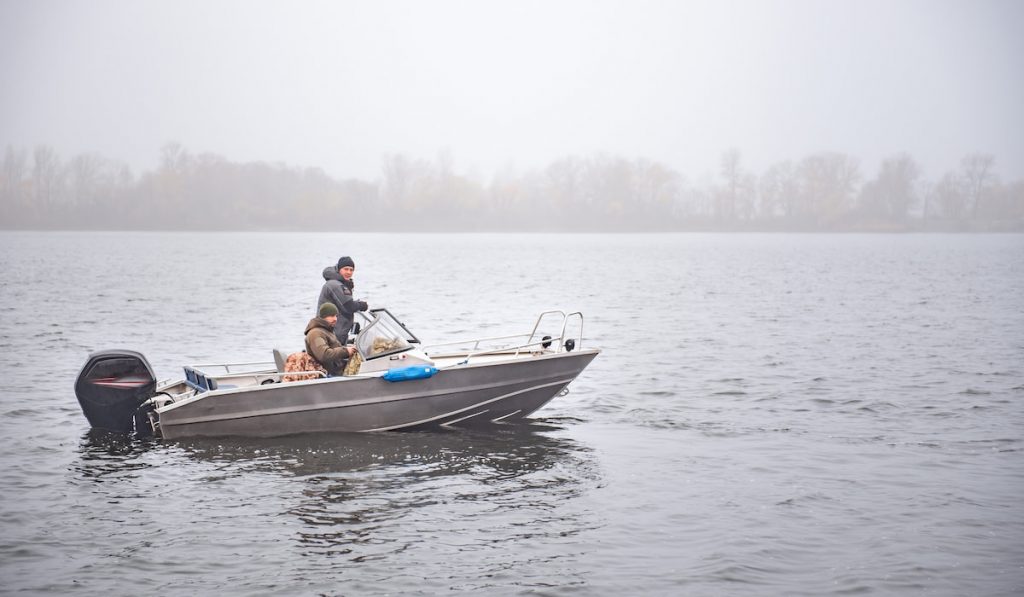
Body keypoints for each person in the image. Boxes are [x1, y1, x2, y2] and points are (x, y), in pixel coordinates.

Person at [317, 255, 369, 345]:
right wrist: (362, 305)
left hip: (335, 333)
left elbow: (342, 306)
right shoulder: (336, 285)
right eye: (346, 269)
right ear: (339, 269)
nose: (349, 272)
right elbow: (349, 306)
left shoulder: (339, 283)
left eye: (351, 270)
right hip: (332, 334)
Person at [305, 303, 356, 376]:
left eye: (336, 316)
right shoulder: (315, 333)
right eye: (332, 316)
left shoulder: (327, 331)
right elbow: (324, 355)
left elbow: (336, 349)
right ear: (323, 317)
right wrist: (346, 351)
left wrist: (351, 349)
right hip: (327, 376)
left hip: (337, 372)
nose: (335, 319)